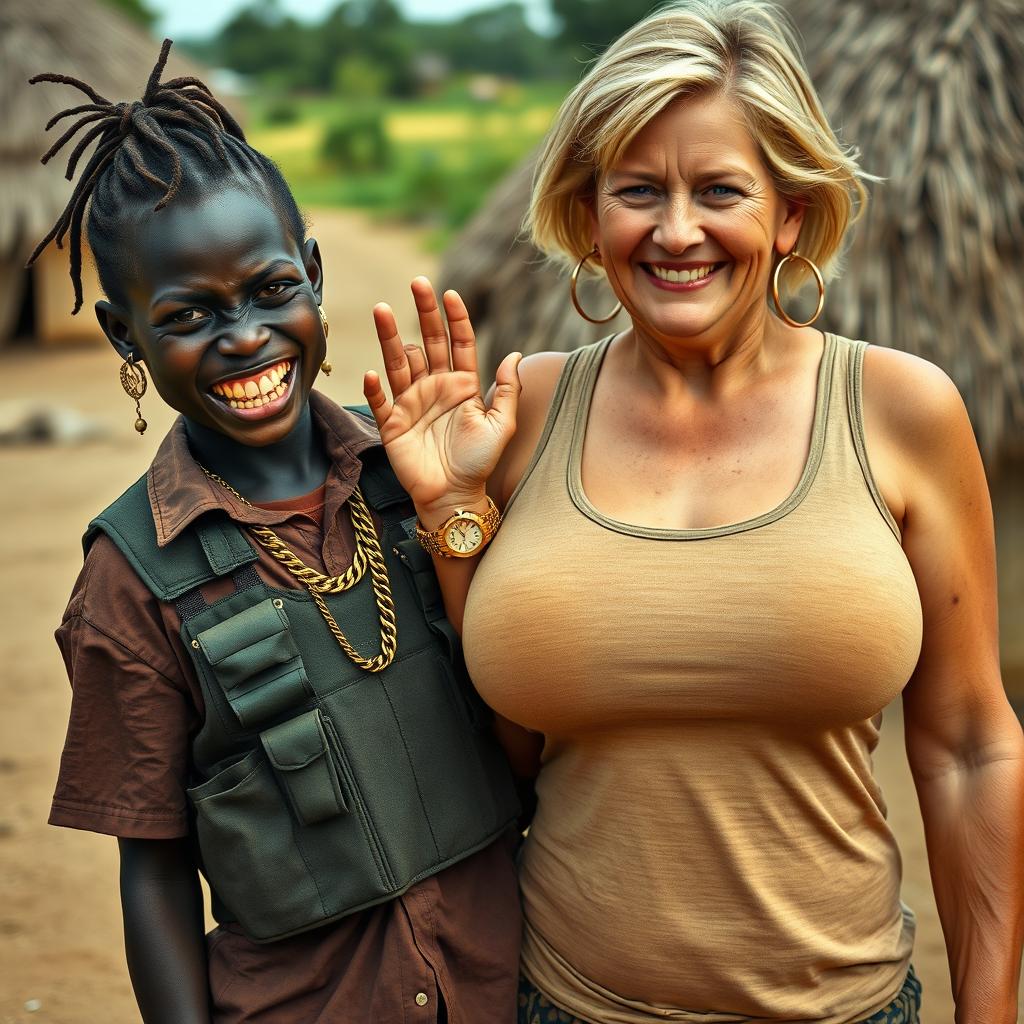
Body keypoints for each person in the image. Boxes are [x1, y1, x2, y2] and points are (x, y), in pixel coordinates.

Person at [363, 1, 1024, 1022]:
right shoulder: (521, 414)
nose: (676, 232)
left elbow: (971, 745)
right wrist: (453, 508)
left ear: (790, 213)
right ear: (589, 218)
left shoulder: (900, 410)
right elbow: (502, 751)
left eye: (720, 190)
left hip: (845, 1009)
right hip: (559, 1003)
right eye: (637, 192)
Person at [36, 41, 522, 1024]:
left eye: (269, 290)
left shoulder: (418, 478)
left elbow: (540, 711)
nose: (245, 337)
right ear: (126, 336)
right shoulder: (132, 582)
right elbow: (156, 870)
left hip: (511, 986)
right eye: (188, 315)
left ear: (311, 273)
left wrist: (455, 517)